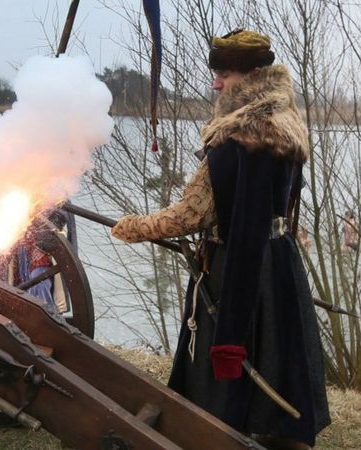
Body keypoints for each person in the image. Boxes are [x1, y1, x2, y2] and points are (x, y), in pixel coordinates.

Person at [111, 30, 329, 449]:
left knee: (232, 364)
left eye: (224, 74)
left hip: (238, 269)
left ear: (252, 76)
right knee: (279, 355)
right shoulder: (287, 125)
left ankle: (222, 433)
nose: (215, 83)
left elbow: (189, 215)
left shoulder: (237, 140)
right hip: (280, 265)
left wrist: (133, 227)